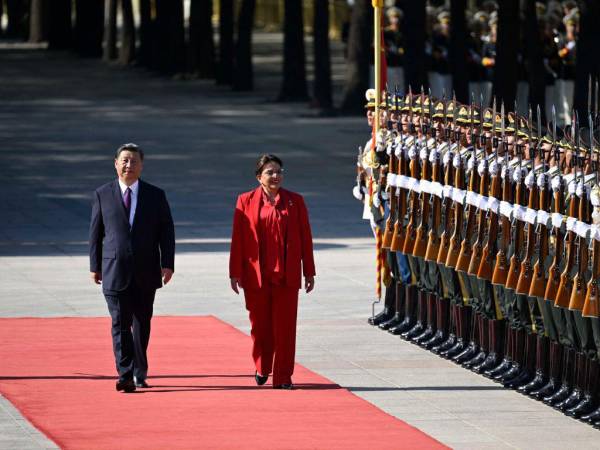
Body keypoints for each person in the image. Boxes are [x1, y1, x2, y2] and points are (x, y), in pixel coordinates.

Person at [89, 143, 175, 393]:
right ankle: (124, 373)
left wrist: (167, 263)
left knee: (142, 323)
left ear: (142, 165)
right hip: (114, 269)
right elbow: (96, 233)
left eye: (134, 161)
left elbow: (166, 231)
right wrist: (95, 265)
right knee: (119, 322)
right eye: (124, 160)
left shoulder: (155, 195)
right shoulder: (102, 194)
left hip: (146, 270)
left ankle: (140, 370)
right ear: (115, 163)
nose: (129, 165)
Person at [229, 154, 315, 389]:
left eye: (279, 171)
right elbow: (238, 239)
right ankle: (262, 365)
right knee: (260, 327)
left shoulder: (295, 201)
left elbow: (306, 238)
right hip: (256, 275)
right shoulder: (245, 201)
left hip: (286, 276)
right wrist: (234, 272)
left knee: (285, 328)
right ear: (259, 177)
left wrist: (309, 270)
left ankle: (284, 376)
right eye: (270, 172)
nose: (275, 176)